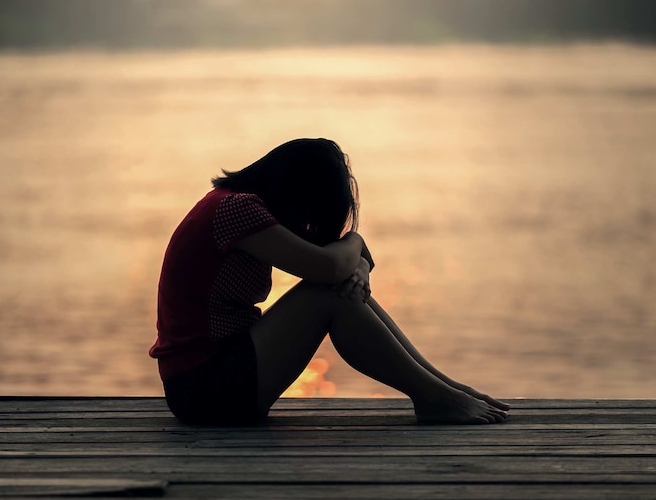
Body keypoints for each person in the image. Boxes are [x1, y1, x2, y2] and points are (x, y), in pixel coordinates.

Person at [149, 138, 509, 426]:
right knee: (327, 295)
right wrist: (353, 241)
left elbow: (343, 262)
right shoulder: (237, 210)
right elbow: (332, 265)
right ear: (297, 191)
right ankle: (435, 397)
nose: (308, 224)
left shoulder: (237, 207)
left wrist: (360, 268)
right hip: (204, 388)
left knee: (335, 289)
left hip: (215, 380)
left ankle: (442, 388)